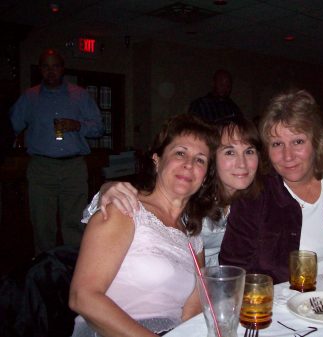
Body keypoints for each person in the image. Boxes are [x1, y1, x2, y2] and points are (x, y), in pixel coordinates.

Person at [69, 114, 219, 337]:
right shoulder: (125, 208)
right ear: (157, 160)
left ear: (205, 177)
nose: (189, 164)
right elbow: (83, 297)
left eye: (200, 160)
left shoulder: (193, 237)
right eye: (180, 153)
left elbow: (191, 312)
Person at [219, 89, 323, 284]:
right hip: (281, 307)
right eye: (277, 144)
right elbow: (234, 270)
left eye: (298, 141)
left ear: (317, 142)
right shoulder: (255, 195)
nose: (287, 156)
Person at [84, 116, 264, 266]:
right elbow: (146, 205)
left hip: (221, 286)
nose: (242, 163)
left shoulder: (259, 199)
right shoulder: (190, 194)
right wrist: (107, 190)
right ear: (212, 159)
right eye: (230, 152)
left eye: (249, 151)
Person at [9, 49, 104, 255]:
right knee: (42, 222)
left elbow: (98, 128)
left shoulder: (80, 95)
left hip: (74, 167)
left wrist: (78, 125)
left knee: (75, 221)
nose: (50, 72)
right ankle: (44, 268)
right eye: (45, 67)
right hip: (41, 167)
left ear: (62, 68)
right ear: (40, 69)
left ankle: (73, 267)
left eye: (55, 66)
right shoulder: (29, 97)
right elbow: (11, 126)